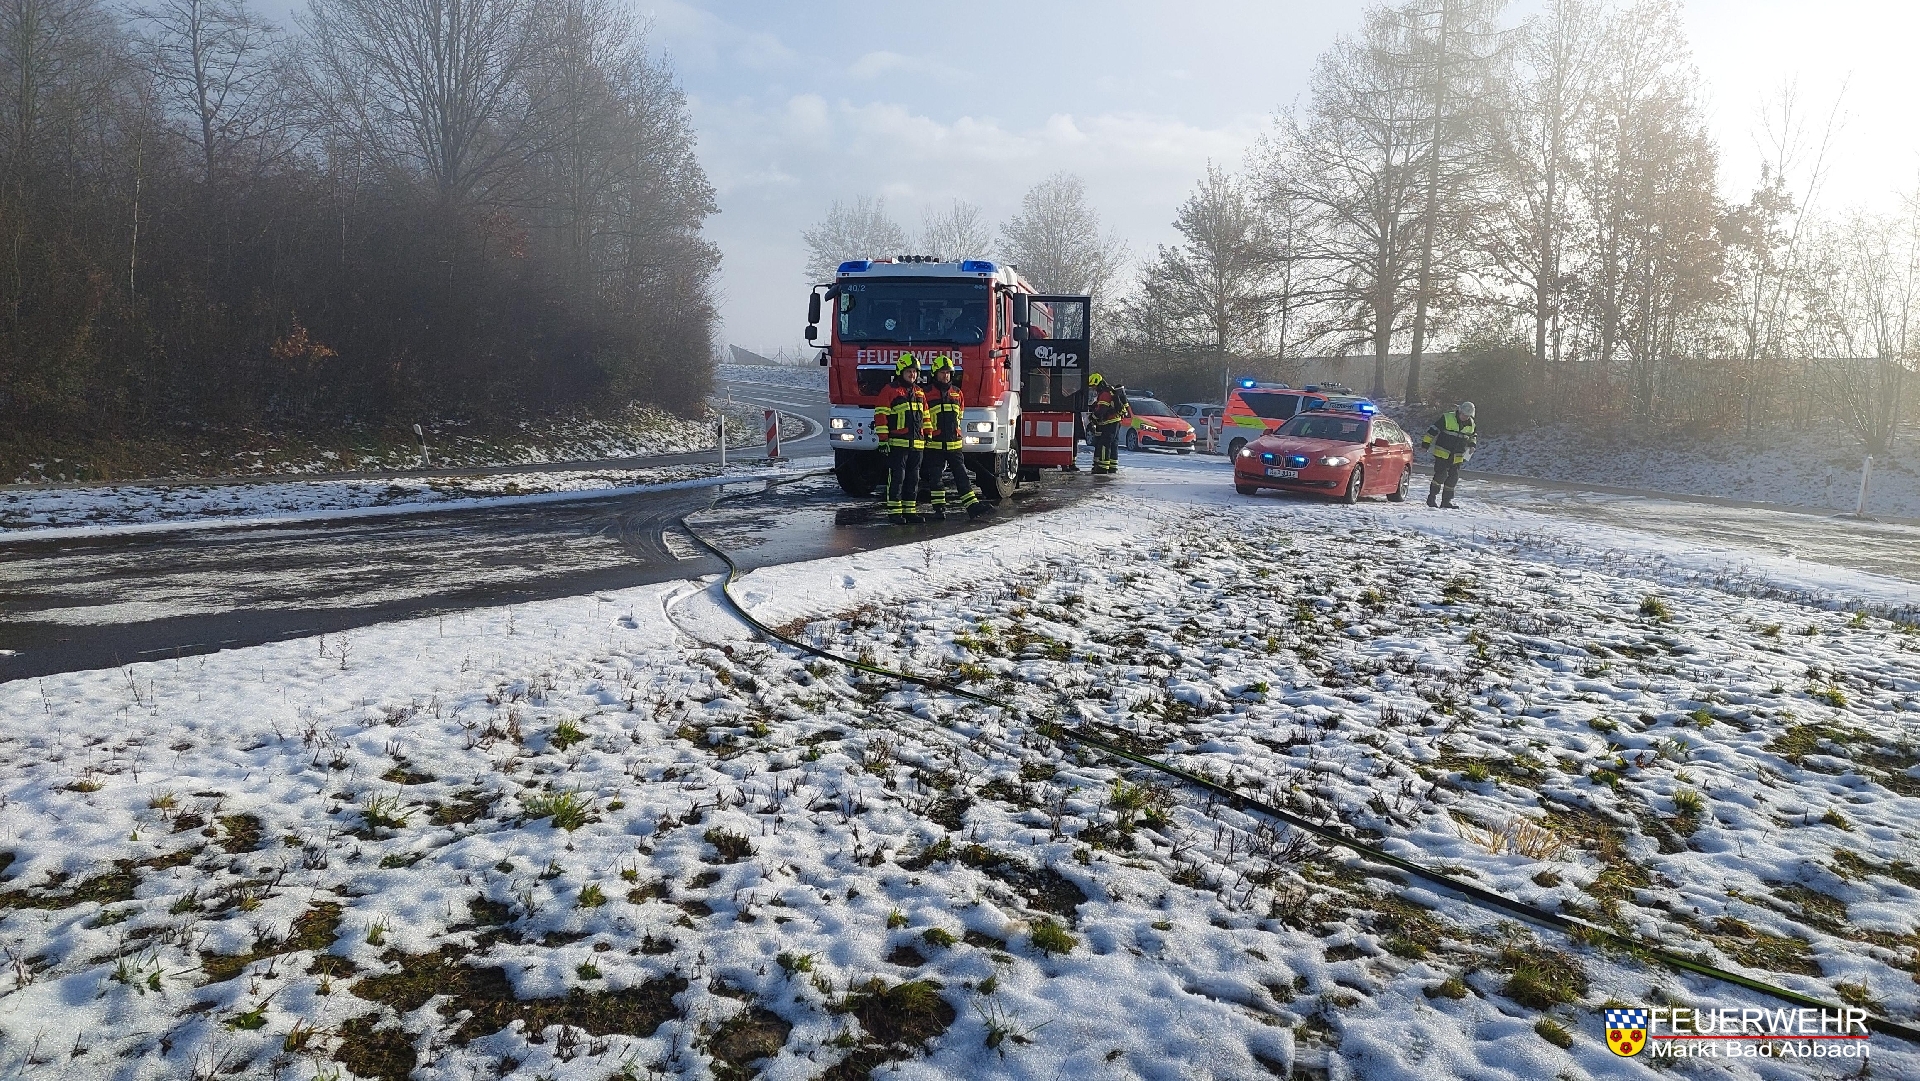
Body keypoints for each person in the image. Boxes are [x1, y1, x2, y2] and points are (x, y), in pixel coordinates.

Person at [918, 354, 991, 520]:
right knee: (935, 479)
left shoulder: (957, 393)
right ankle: (939, 510)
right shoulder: (925, 394)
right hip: (934, 445)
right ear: (934, 374)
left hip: (954, 444)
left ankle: (972, 506)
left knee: (962, 476)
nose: (945, 376)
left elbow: (960, 416)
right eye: (942, 373)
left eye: (948, 373)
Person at [874, 353, 932, 524]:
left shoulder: (919, 392)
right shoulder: (890, 390)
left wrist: (928, 433)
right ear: (900, 372)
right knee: (897, 478)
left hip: (917, 444)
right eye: (909, 371)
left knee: (913, 479)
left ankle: (910, 511)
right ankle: (894, 512)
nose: (912, 375)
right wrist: (883, 439)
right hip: (898, 444)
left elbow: (926, 415)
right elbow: (881, 415)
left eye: (914, 372)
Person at [1421, 401, 1478, 508]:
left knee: (1453, 478)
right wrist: (1425, 444)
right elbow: (1432, 431)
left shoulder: (1471, 424)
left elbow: (1473, 436)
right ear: (1460, 411)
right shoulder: (1447, 418)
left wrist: (1472, 445)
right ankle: (1432, 497)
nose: (1465, 417)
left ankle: (1446, 502)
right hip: (1442, 453)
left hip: (1457, 456)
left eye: (1467, 416)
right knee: (1441, 475)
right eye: (1464, 415)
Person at [1086, 373, 1131, 475]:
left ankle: (1102, 467)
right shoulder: (1109, 391)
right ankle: (1112, 467)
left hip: (1109, 422)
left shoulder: (1105, 394)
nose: (1093, 389)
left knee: (1104, 444)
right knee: (1113, 444)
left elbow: (1102, 410)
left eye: (1093, 386)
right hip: (1116, 421)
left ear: (1098, 384)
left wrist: (1093, 417)